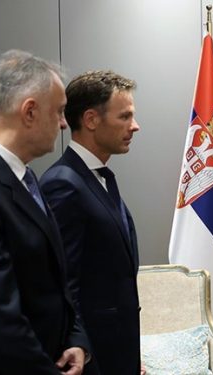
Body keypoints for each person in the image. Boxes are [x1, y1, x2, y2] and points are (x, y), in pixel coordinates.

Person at [0, 49, 90, 374]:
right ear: (30, 112)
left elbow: (55, 278)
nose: (65, 124)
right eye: (61, 112)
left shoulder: (23, 175)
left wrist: (77, 339)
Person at [39, 70, 142, 375]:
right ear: (91, 120)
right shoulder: (63, 183)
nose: (135, 126)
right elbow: (63, 283)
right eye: (125, 116)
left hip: (117, 351)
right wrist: (82, 348)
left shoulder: (101, 178)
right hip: (92, 357)